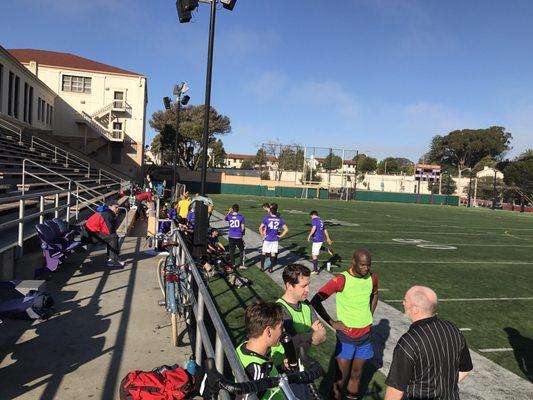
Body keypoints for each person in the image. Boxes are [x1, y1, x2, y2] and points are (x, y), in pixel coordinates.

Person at [310, 249, 378, 400]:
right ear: (353, 262)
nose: (366, 268)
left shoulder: (372, 278)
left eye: (368, 265)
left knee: (357, 377)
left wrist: (369, 314)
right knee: (340, 380)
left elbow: (375, 294)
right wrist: (332, 322)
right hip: (347, 337)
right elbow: (316, 300)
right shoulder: (342, 280)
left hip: (365, 336)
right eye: (362, 265)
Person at [384, 286, 473, 400]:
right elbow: (466, 369)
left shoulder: (409, 341)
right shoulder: (452, 328)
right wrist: (442, 387)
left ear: (415, 309)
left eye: (405, 301)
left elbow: (395, 391)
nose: (403, 303)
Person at [275, 264, 327, 399]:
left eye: (308, 285)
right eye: (303, 286)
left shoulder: (306, 305)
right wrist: (312, 334)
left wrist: (307, 337)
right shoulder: (280, 309)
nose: (308, 290)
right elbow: (293, 343)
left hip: (302, 367)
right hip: (285, 371)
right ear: (289, 286)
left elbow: (322, 336)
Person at [236, 302, 286, 400]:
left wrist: (282, 367)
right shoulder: (257, 369)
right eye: (281, 327)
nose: (283, 331)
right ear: (268, 331)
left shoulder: (243, 346)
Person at [84, 198, 125, 267]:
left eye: (118, 207)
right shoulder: (107, 215)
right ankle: (112, 260)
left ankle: (113, 257)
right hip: (90, 236)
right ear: (110, 206)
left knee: (113, 236)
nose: (117, 209)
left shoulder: (106, 212)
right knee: (113, 237)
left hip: (90, 234)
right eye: (116, 207)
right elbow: (108, 231)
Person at [259, 203, 288, 273]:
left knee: (263, 253)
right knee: (273, 254)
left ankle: (262, 268)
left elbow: (260, 228)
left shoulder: (267, 218)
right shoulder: (280, 219)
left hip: (267, 239)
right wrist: (280, 235)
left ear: (271, 211)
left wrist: (263, 235)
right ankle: (271, 268)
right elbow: (286, 229)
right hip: (275, 239)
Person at [307, 210, 333, 275]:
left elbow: (314, 228)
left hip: (317, 239)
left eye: (311, 216)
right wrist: (328, 238)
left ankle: (315, 270)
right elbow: (325, 230)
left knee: (314, 255)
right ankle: (328, 250)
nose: (311, 218)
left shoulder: (314, 220)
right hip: (321, 238)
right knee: (318, 248)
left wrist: (309, 235)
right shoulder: (321, 221)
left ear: (313, 215)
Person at [225, 204, 247, 270]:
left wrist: (229, 212)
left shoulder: (229, 216)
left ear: (232, 209)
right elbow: (243, 228)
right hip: (238, 236)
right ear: (238, 209)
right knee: (241, 250)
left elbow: (225, 218)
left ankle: (233, 264)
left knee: (232, 251)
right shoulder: (241, 217)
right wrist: (242, 233)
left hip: (231, 235)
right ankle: (241, 265)